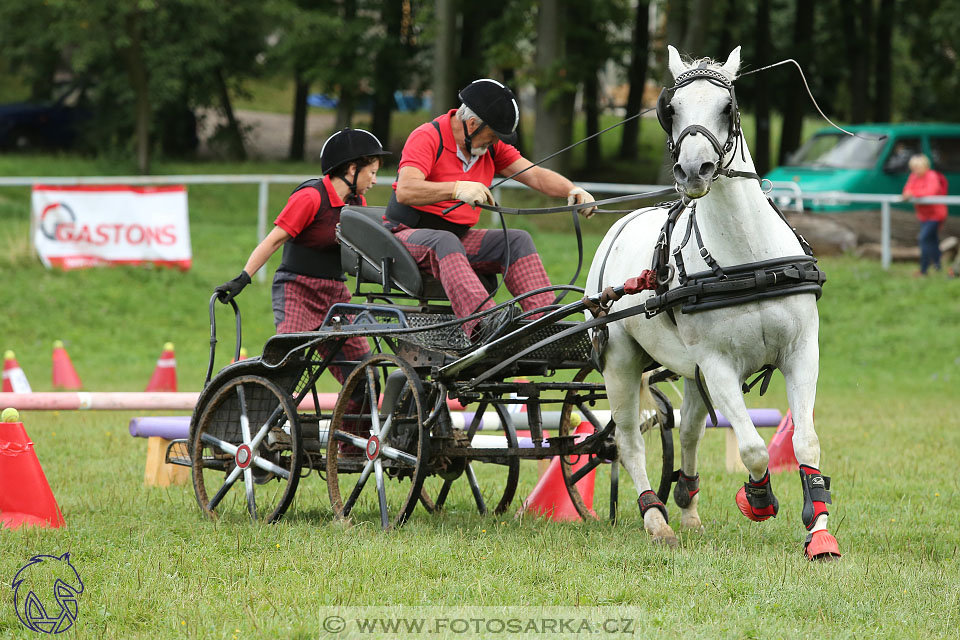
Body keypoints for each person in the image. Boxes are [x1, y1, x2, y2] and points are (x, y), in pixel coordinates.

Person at [385, 78, 598, 341]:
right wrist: (455, 189)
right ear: (472, 124)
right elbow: (406, 190)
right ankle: (487, 327)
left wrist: (571, 190)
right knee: (445, 241)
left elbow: (534, 175)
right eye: (493, 134)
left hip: (455, 238)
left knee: (517, 240)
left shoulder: (487, 146)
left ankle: (545, 326)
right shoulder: (427, 137)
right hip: (406, 236)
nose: (495, 141)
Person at [214, 127, 390, 384]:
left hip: (336, 296)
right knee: (287, 369)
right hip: (297, 291)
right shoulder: (310, 197)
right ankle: (270, 419)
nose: (374, 181)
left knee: (365, 378)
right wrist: (243, 277)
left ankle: (349, 426)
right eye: (372, 172)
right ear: (352, 169)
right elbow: (273, 240)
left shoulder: (357, 206)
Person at [902, 154, 948, 276]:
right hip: (923, 215)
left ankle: (924, 269)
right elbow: (907, 190)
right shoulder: (914, 176)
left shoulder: (932, 176)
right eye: (913, 168)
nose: (915, 171)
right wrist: (908, 193)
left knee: (923, 239)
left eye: (917, 167)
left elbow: (930, 192)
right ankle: (938, 267)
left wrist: (912, 193)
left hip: (936, 214)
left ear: (925, 166)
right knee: (932, 240)